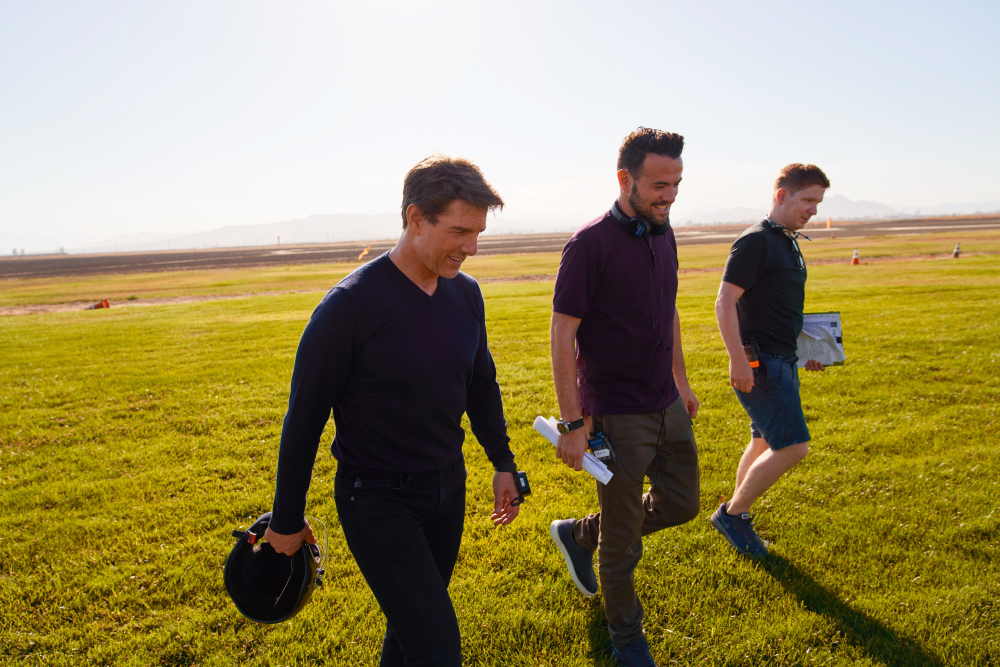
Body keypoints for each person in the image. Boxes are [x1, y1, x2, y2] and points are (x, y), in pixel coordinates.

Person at [263, 154, 523, 667]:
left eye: (478, 234)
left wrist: (502, 461)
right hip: (377, 499)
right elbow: (304, 420)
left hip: (447, 490)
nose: (471, 248)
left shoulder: (466, 295)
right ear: (415, 218)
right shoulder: (349, 308)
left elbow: (481, 383)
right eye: (459, 232)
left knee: (408, 638)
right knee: (437, 647)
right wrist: (286, 521)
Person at [548, 127, 701, 667]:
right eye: (660, 184)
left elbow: (670, 310)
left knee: (683, 504)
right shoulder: (589, 244)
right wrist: (573, 423)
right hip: (615, 412)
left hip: (665, 402)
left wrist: (681, 382)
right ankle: (627, 640)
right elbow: (562, 332)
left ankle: (579, 531)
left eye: (677, 183)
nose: (670, 195)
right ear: (625, 179)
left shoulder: (664, 231)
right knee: (622, 544)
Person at [710, 163, 831, 556]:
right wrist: (737, 360)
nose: (813, 209)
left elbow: (779, 309)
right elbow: (725, 301)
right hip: (761, 362)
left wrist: (811, 351)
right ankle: (733, 514)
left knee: (762, 442)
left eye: (818, 202)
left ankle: (737, 516)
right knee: (794, 447)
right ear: (782, 195)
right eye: (808, 200)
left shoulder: (788, 241)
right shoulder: (756, 241)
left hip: (784, 358)